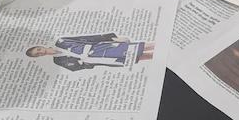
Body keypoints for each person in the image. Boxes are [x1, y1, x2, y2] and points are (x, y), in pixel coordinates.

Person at [26, 34, 155, 71]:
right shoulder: (58, 61)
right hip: (97, 59)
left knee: (138, 47)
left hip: (100, 48)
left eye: (38, 50)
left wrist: (111, 38)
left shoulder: (61, 41)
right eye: (38, 54)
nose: (41, 52)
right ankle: (156, 57)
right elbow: (74, 68)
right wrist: (83, 63)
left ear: (40, 46)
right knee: (134, 58)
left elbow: (86, 38)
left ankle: (160, 46)